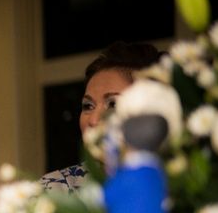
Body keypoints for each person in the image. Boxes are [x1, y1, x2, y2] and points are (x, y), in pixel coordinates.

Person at [41, 41, 160, 192]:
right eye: (88, 106)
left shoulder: (181, 184)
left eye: (113, 104)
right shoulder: (54, 190)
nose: (93, 120)